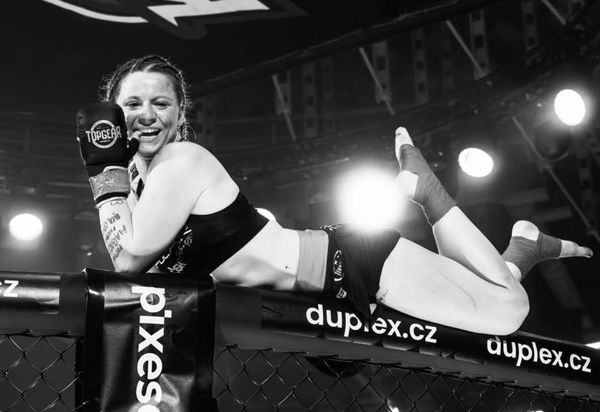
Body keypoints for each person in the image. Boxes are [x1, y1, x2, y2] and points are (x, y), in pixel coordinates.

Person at [76, 55, 592, 336]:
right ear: (115, 115)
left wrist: (101, 166)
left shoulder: (181, 160)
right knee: (489, 293)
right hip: (322, 290)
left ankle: (428, 194)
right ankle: (524, 248)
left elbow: (127, 258)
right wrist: (116, 174)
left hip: (346, 264)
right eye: (133, 104)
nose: (147, 114)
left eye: (161, 103)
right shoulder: (139, 186)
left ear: (179, 113)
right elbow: (137, 263)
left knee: (507, 313)